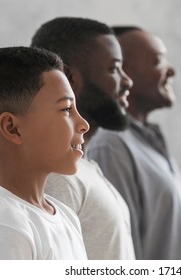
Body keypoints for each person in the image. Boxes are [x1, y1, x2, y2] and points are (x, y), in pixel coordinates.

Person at [0, 46, 89, 259]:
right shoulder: (2, 228)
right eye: (66, 109)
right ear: (12, 128)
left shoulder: (65, 217)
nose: (84, 124)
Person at [87, 26, 181, 259]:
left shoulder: (147, 143)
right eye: (158, 61)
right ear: (123, 73)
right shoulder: (111, 147)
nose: (171, 70)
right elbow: (121, 254)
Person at [30, 17, 135, 259]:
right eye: (114, 69)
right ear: (68, 77)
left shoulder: (82, 169)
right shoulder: (56, 176)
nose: (127, 81)